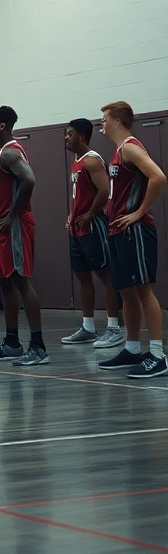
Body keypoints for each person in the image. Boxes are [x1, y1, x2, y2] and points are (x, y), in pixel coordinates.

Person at [97, 101, 167, 378]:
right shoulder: (118, 151)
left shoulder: (130, 147)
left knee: (144, 290)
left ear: (117, 120)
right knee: (126, 291)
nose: (101, 123)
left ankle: (159, 355)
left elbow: (158, 176)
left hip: (135, 230)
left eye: (104, 118)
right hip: (118, 230)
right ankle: (132, 347)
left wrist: (139, 211)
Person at [0, 106, 47, 366]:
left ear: (2, 125)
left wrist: (11, 216)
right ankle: (12, 343)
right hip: (1, 227)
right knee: (5, 283)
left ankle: (39, 347)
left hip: (13, 226)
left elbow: (29, 180)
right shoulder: (1, 154)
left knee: (20, 281)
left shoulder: (9, 153)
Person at [61, 118, 124, 348]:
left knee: (105, 275)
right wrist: (72, 214)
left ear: (82, 137)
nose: (66, 138)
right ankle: (88, 327)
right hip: (78, 228)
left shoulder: (92, 160)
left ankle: (114, 328)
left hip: (94, 224)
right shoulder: (76, 161)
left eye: (70, 134)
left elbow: (105, 190)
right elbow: (78, 194)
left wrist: (89, 214)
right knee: (82, 276)